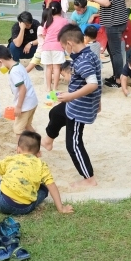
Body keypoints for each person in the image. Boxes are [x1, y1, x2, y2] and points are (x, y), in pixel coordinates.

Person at [43, 24, 100, 187]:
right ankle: (48, 139)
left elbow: (93, 84)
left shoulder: (83, 61)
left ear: (69, 44)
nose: (64, 51)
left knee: (73, 144)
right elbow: (98, 78)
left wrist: (70, 96)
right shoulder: (91, 54)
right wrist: (98, 102)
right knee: (55, 113)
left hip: (78, 108)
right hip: (74, 103)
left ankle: (89, 179)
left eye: (63, 47)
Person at [0, 131, 73, 216]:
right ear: (38, 153)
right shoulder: (41, 164)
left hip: (3, 203)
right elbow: (51, 185)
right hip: (25, 208)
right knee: (44, 188)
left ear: (18, 149)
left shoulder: (12, 159)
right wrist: (61, 208)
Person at [89, 0, 126, 88]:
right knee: (113, 51)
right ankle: (117, 76)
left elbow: (106, 3)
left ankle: (119, 80)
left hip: (113, 23)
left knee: (115, 52)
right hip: (119, 21)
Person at [0, 45, 38, 136]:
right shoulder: (18, 65)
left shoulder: (14, 71)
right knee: (27, 125)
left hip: (25, 105)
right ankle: (39, 142)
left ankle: (20, 149)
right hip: (32, 102)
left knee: (18, 130)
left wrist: (19, 107)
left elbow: (22, 88)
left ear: (0, 61)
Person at [38, 1, 68, 93]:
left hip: (46, 47)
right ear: (60, 10)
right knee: (56, 68)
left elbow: (44, 35)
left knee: (48, 68)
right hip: (58, 47)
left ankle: (48, 88)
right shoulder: (64, 21)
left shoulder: (48, 21)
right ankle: (55, 88)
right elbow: (67, 33)